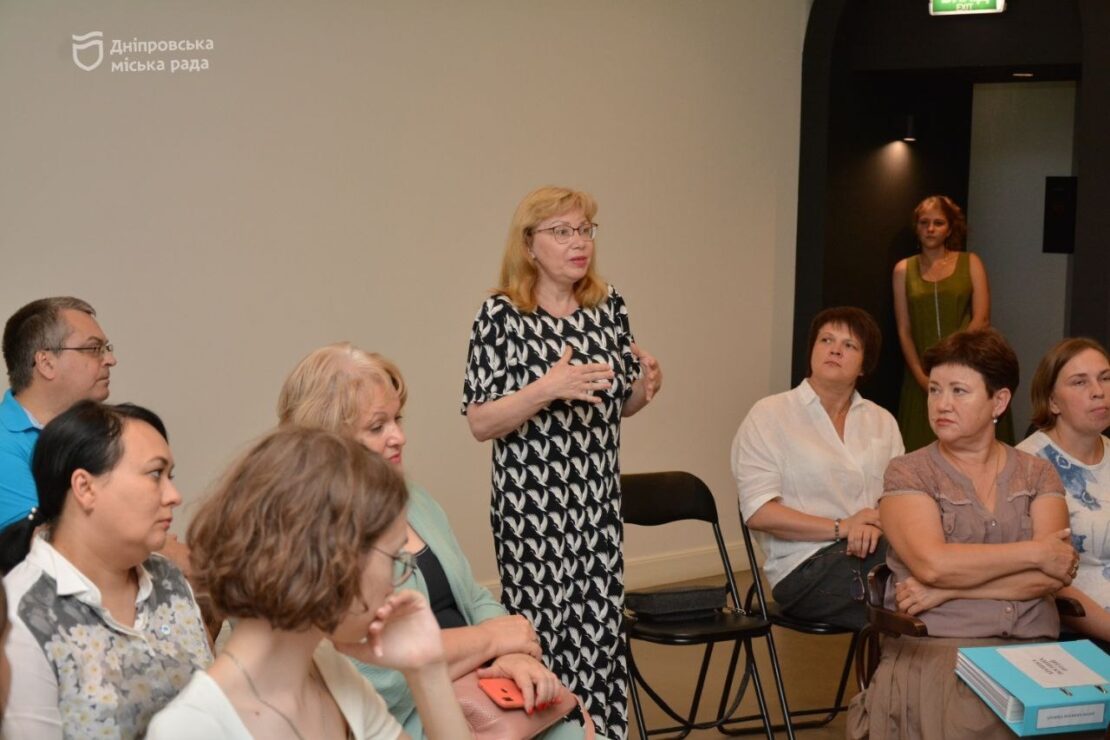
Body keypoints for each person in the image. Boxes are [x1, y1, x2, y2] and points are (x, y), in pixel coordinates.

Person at [277, 343, 589, 739]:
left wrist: (513, 655)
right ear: (328, 441)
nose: (399, 437)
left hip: (482, 691)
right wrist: (490, 642)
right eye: (377, 427)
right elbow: (379, 678)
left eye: (397, 419)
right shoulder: (312, 538)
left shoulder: (416, 500)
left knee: (575, 730)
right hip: (411, 720)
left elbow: (473, 596)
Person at [461, 185, 662, 737]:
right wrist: (546, 389)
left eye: (585, 230)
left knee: (600, 636)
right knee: (542, 637)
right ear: (529, 245)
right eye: (562, 231)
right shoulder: (501, 316)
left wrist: (645, 388)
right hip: (533, 511)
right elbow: (480, 422)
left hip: (596, 505)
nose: (579, 243)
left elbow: (618, 404)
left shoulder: (608, 306)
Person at [148, 426, 469, 740]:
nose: (397, 582)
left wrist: (426, 667)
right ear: (338, 559)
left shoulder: (330, 671)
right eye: (394, 558)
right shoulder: (190, 728)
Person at [848, 329, 1077, 739]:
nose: (942, 404)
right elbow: (933, 565)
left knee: (1087, 713)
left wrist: (948, 591)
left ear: (998, 402)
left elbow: (1053, 574)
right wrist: (1034, 552)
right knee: (972, 720)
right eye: (935, 390)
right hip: (944, 647)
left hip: (1034, 650)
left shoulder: (1037, 473)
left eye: (959, 391)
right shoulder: (909, 472)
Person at [1, 401, 212, 738]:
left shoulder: (170, 580)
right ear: (85, 488)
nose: (174, 495)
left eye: (170, 477)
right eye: (155, 474)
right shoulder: (24, 614)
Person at [732, 307, 904, 630]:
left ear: (865, 365)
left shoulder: (882, 421)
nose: (835, 349)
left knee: (916, 577)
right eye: (826, 340)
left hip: (875, 551)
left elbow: (898, 498)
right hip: (804, 568)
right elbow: (759, 513)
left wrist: (875, 522)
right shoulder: (770, 415)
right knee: (914, 586)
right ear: (812, 350)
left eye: (849, 345)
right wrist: (844, 526)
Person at [893, 196, 1012, 450]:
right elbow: (903, 329)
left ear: (949, 229)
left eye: (938, 223)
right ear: (917, 227)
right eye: (924, 222)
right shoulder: (903, 270)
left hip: (971, 366)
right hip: (923, 375)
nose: (930, 229)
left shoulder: (971, 262)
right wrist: (921, 376)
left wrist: (954, 362)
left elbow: (982, 318)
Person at [1017, 338, 1110, 642]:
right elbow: (1045, 580)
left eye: (1105, 378)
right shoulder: (1026, 465)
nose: (1098, 391)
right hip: (1076, 636)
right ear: (1053, 402)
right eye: (1080, 382)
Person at [1, 297, 116, 530]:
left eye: (106, 349)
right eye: (94, 349)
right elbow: (40, 541)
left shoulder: (102, 433)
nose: (111, 360)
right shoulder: (4, 443)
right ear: (46, 363)